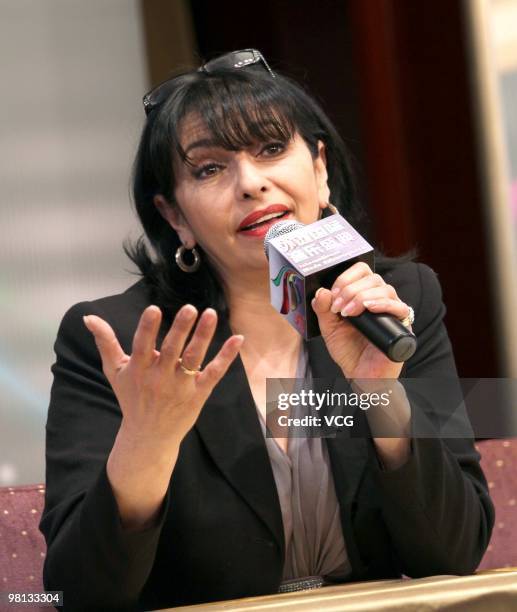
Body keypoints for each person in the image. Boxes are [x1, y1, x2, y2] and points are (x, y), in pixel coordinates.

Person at [40, 49, 494, 611]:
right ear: (175, 216)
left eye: (272, 148)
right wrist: (147, 445)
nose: (251, 183)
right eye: (209, 169)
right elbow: (78, 594)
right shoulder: (120, 340)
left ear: (320, 168)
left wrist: (382, 394)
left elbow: (455, 552)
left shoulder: (398, 302)